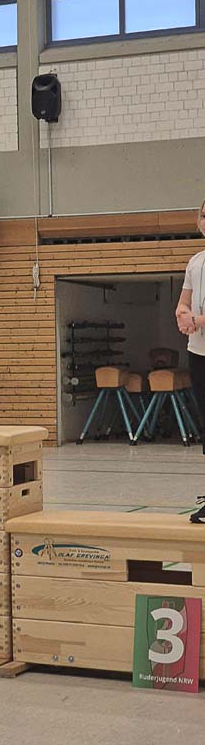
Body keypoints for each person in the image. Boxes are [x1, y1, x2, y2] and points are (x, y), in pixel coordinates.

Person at [175, 199, 205, 521]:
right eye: (204, 215)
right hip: (198, 352)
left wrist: (197, 320)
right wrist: (182, 315)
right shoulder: (195, 261)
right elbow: (183, 302)